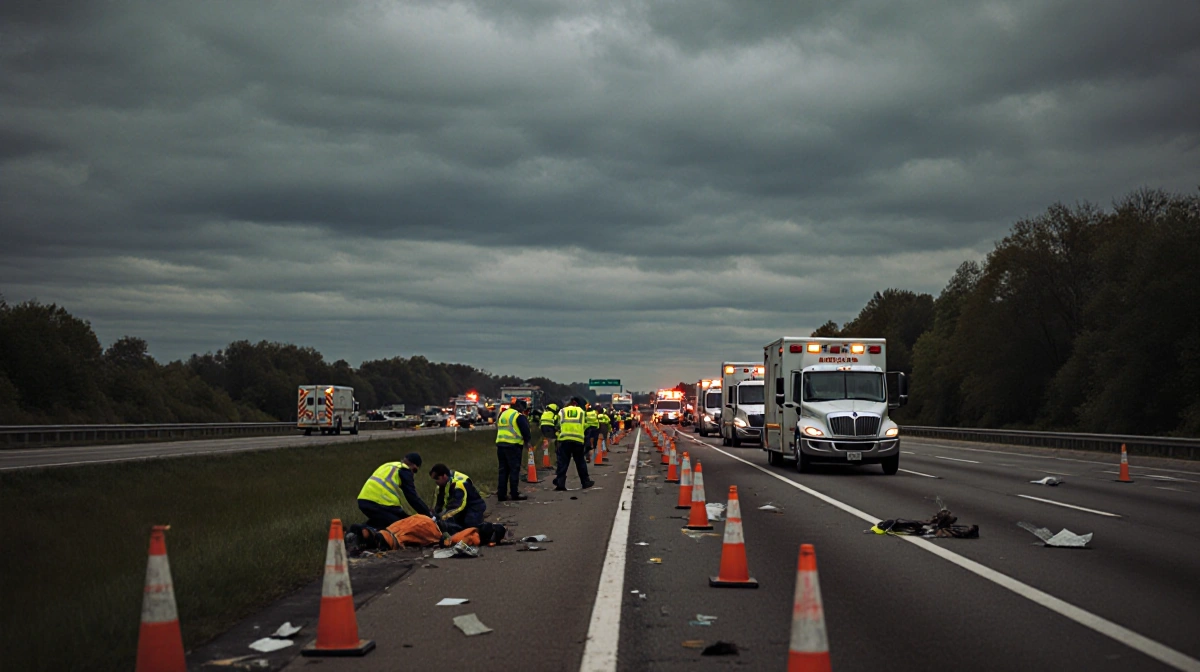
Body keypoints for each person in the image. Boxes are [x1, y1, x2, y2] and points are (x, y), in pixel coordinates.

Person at [356, 453, 432, 529]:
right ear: (413, 466)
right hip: (378, 502)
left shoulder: (389, 465)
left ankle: (359, 531)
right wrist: (428, 515)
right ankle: (363, 532)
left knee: (382, 521)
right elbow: (412, 497)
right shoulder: (404, 470)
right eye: (415, 471)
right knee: (399, 527)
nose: (413, 474)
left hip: (364, 500)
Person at [430, 463, 488, 534]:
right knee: (448, 524)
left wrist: (443, 517)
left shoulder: (459, 484)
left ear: (444, 476)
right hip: (461, 508)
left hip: (473, 507)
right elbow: (439, 504)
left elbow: (457, 506)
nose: (435, 482)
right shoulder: (441, 485)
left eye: (436, 478)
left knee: (470, 529)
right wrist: (434, 515)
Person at [495, 399, 532, 501]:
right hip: (513, 446)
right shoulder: (518, 416)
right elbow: (526, 431)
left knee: (503, 471)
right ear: (519, 407)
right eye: (523, 408)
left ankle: (501, 494)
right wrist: (527, 442)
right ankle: (514, 493)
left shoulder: (502, 414)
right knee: (514, 470)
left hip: (501, 445)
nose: (523, 411)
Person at [555, 397, 594, 491]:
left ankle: (560, 483)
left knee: (563, 462)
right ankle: (585, 482)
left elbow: (556, 424)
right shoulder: (582, 412)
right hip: (578, 440)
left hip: (564, 440)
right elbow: (586, 426)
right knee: (580, 462)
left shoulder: (562, 411)